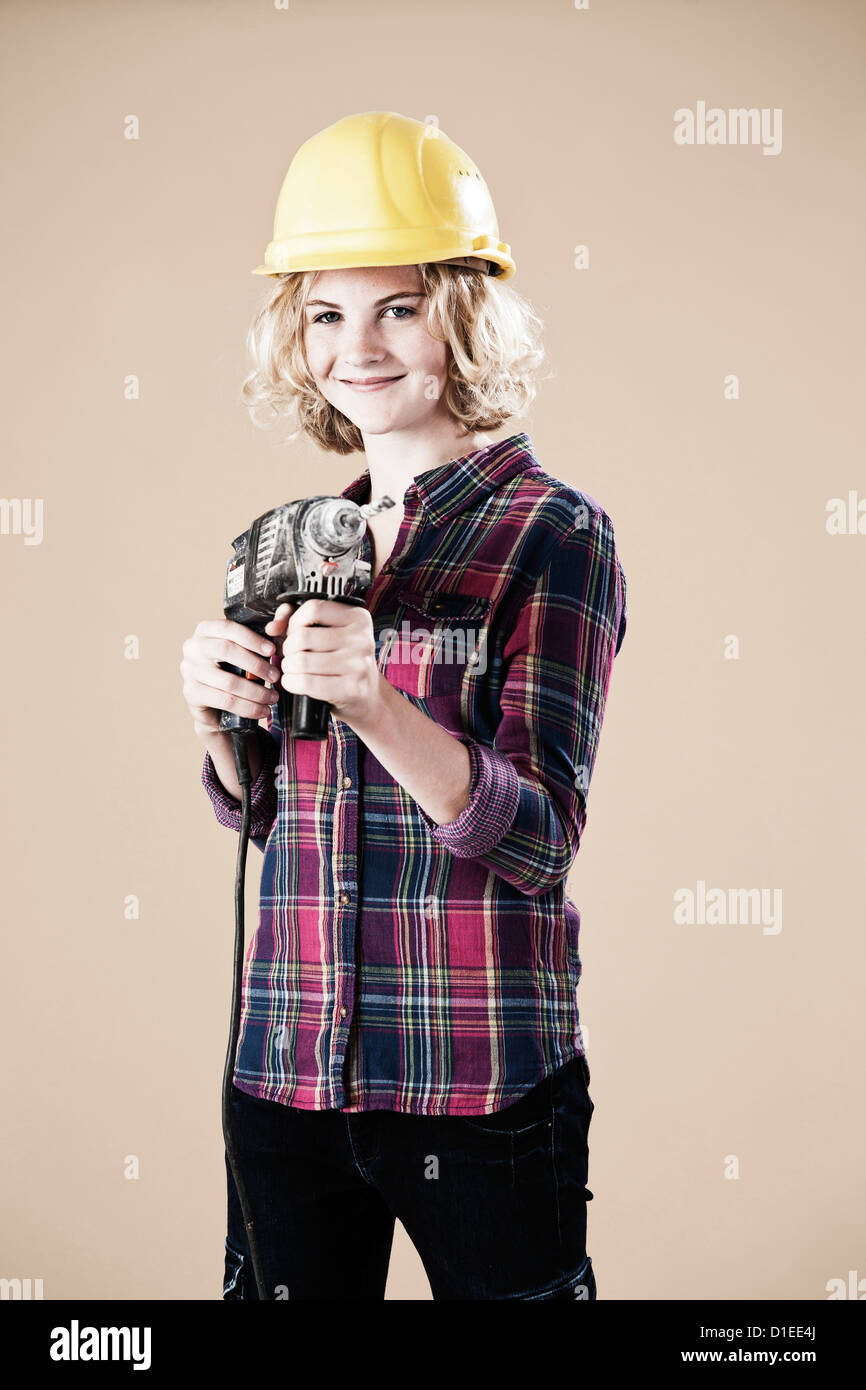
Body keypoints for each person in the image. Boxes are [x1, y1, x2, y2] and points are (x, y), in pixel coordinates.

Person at [179, 111, 627, 1301]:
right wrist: (218, 722)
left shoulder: (552, 533)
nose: (355, 346)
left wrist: (375, 700)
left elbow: (538, 838)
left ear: (462, 313)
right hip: (283, 1067)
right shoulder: (296, 540)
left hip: (475, 1081)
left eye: (397, 307)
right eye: (326, 312)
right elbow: (265, 810)